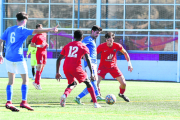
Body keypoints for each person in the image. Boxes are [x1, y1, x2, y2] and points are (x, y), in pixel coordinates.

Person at [0, 12, 58, 112]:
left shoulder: (9, 29)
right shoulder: (23, 30)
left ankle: (9, 101)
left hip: (8, 57)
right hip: (18, 58)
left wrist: (1, 54)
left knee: (11, 81)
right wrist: (51, 29)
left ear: (16, 20)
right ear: (25, 21)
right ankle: (24, 101)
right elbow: (37, 31)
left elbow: (0, 41)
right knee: (25, 79)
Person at [55, 30, 101, 108]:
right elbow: (88, 59)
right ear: (81, 38)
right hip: (76, 68)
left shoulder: (68, 45)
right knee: (88, 83)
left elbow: (59, 59)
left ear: (74, 37)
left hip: (66, 67)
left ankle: (64, 95)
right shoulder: (83, 46)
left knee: (73, 83)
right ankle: (95, 103)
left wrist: (57, 72)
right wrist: (92, 73)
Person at [97, 32, 133, 102]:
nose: (109, 42)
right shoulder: (101, 46)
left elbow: (125, 53)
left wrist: (129, 64)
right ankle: (98, 95)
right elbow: (94, 54)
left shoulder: (117, 46)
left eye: (111, 41)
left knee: (123, 84)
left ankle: (121, 94)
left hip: (113, 67)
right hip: (102, 67)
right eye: (108, 40)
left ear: (113, 39)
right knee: (96, 83)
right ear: (105, 40)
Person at [75, 25, 105, 105]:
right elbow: (81, 45)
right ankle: (97, 95)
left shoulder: (92, 40)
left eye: (98, 33)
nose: (97, 35)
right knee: (93, 80)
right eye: (96, 33)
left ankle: (78, 97)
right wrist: (83, 56)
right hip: (90, 63)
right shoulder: (88, 39)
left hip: (92, 64)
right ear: (92, 31)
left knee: (91, 83)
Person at [31, 24, 49, 90]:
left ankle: (35, 81)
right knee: (39, 67)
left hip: (45, 52)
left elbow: (44, 42)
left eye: (42, 28)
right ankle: (38, 83)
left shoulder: (44, 34)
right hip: (39, 52)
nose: (41, 29)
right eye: (40, 28)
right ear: (37, 29)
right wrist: (39, 46)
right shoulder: (36, 36)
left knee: (43, 66)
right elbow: (32, 45)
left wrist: (46, 44)